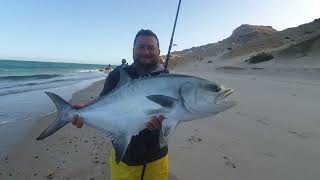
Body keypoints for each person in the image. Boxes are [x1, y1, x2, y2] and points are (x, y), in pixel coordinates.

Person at [72, 29, 169, 180]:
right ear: (133, 50)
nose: (146, 51)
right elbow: (104, 103)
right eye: (141, 47)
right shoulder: (117, 75)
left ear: (158, 51)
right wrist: (86, 110)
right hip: (125, 159)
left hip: (157, 158)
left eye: (151, 47)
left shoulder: (167, 79)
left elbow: (174, 114)